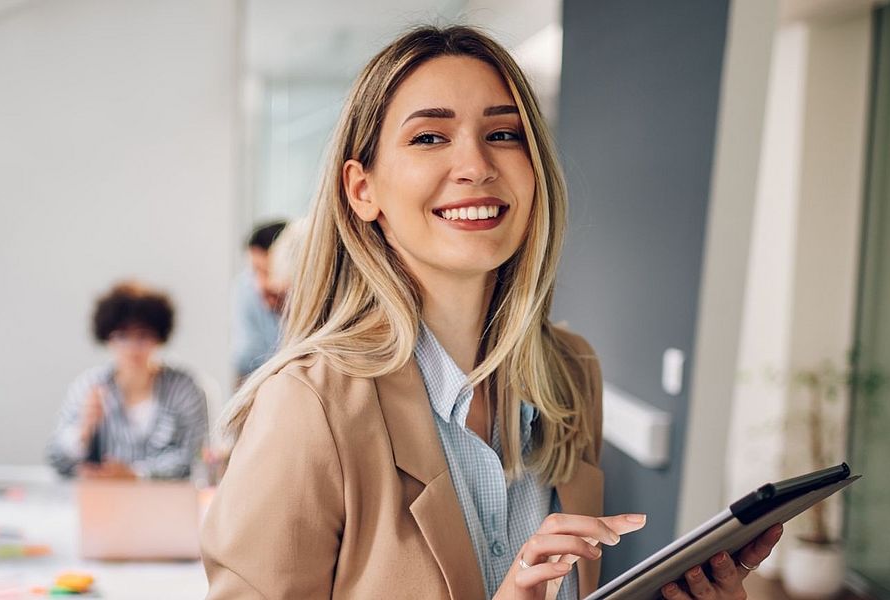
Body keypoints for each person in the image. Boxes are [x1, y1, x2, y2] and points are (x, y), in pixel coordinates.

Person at [200, 26, 783, 600]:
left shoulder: (571, 375)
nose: (476, 164)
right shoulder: (308, 405)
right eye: (430, 137)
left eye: (504, 133)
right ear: (362, 189)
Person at [46, 281, 209, 479]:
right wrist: (83, 430)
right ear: (107, 338)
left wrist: (135, 474)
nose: (132, 348)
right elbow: (57, 460)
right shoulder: (89, 387)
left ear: (158, 337)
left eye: (143, 336)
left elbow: (195, 459)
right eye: (122, 336)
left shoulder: (184, 389)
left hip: (166, 503)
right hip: (104, 502)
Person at [232, 220, 288, 381]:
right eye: (255, 271)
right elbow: (244, 361)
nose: (260, 285)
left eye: (268, 272)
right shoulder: (245, 288)